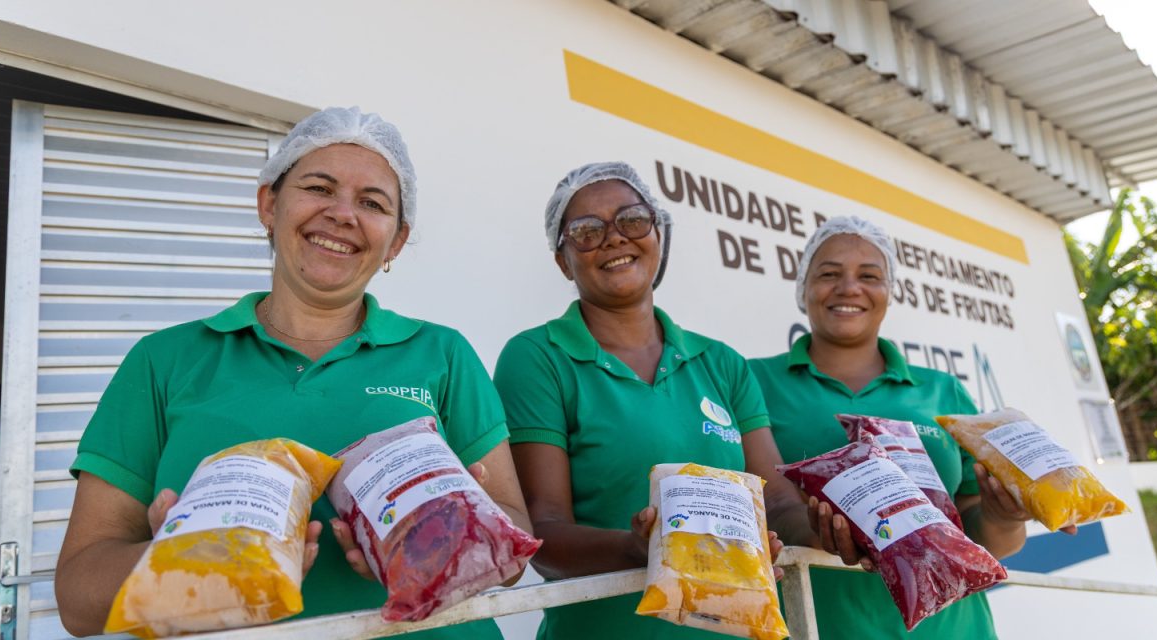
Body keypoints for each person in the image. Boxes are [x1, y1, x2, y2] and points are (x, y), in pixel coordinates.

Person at [56, 107, 530, 638]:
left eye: (372, 203)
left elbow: (514, 548)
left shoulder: (441, 352)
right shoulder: (164, 360)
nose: (342, 214)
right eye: (318, 188)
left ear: (395, 241)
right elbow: (77, 599)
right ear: (269, 204)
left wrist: (451, 530)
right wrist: (183, 563)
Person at [493, 162, 800, 640]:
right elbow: (543, 530)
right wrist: (645, 548)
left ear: (659, 232)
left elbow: (777, 500)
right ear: (562, 260)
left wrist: (830, 530)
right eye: (586, 231)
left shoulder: (722, 363)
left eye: (632, 220)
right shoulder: (538, 357)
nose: (614, 238)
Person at [748, 215, 1043, 639]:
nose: (849, 287)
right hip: (824, 626)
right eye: (829, 274)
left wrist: (1005, 516)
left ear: (889, 291)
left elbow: (986, 540)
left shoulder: (942, 392)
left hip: (954, 630)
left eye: (869, 275)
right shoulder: (753, 382)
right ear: (804, 288)